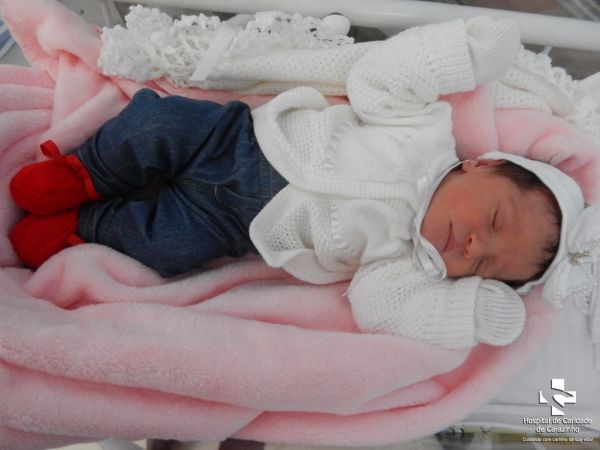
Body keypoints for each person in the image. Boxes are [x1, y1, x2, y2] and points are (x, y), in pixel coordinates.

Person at [8, 17, 585, 349]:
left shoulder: (403, 262)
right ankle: (87, 173)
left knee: (167, 245)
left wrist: (466, 313)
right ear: (483, 165)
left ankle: (86, 228)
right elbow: (384, 75)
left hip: (231, 224)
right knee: (159, 123)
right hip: (237, 141)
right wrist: (461, 52)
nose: (474, 245)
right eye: (495, 221)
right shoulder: (424, 131)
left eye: (483, 267)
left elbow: (377, 306)